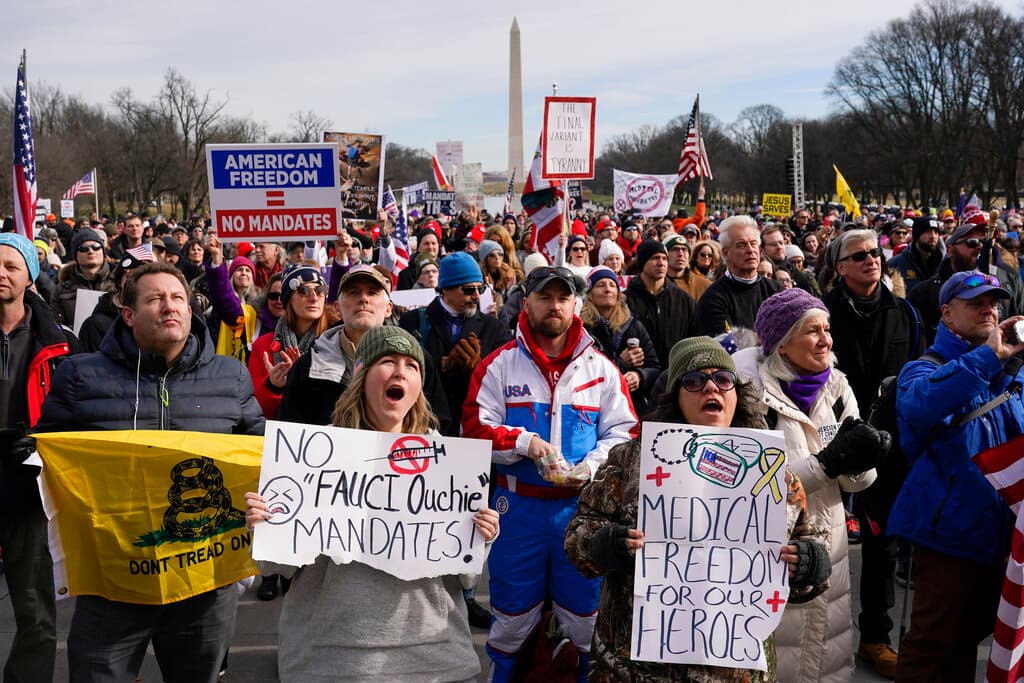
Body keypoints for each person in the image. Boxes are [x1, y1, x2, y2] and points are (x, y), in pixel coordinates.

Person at [36, 261, 264, 682]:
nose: (169, 307)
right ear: (128, 313)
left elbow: (259, 455)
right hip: (112, 582)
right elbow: (48, 458)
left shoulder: (229, 376)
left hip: (204, 584)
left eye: (177, 298)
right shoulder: (80, 376)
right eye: (155, 299)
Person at [564, 336, 832, 682]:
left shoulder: (772, 474)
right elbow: (577, 536)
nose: (711, 388)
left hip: (736, 670)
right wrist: (605, 544)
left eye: (723, 379)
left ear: (737, 393)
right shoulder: (631, 461)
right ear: (676, 394)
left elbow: (806, 547)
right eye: (694, 380)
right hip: (634, 668)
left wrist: (810, 562)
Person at [245, 325, 500, 683]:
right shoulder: (312, 455)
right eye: (388, 361)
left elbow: (466, 574)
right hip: (332, 662)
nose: (401, 371)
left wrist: (482, 535)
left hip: (435, 660)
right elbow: (274, 565)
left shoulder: (449, 462)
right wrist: (264, 523)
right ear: (361, 377)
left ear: (419, 386)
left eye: (412, 366)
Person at [462, 265, 639, 682]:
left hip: (580, 513)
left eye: (563, 298)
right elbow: (473, 429)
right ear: (527, 303)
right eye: (545, 297)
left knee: (586, 624)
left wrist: (592, 466)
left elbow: (625, 432)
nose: (554, 305)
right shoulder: (499, 366)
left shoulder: (601, 369)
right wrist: (527, 443)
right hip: (515, 511)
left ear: (576, 304)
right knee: (509, 623)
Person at [734, 288, 888, 682]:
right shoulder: (747, 394)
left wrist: (864, 458)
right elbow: (748, 486)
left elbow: (855, 484)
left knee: (824, 656)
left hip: (830, 546)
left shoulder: (836, 386)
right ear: (783, 344)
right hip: (771, 550)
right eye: (813, 331)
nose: (826, 339)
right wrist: (826, 464)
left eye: (827, 328)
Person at [890, 270, 1024, 682]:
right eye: (976, 303)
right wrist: (989, 357)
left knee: (970, 642)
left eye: (994, 303)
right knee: (933, 647)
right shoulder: (923, 367)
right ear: (947, 313)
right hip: (949, 536)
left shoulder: (1012, 368)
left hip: (1003, 535)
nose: (989, 309)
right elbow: (919, 407)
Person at [821, 229, 923, 678]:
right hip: (829, 439)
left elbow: (918, 374)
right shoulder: (821, 313)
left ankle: (875, 636)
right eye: (859, 255)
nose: (871, 260)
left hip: (887, 443)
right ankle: (816, 630)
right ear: (840, 267)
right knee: (819, 534)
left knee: (882, 542)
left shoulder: (903, 312)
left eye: (876, 253)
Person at [0, 234, 76, 683]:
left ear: (30, 276)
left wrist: (46, 440)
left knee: (35, 611)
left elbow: (81, 410)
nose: (0, 272)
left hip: (31, 484)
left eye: (11, 265)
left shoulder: (60, 342)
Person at [399, 251, 506, 437]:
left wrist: (477, 369)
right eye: (468, 289)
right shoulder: (413, 322)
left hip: (475, 427)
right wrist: (441, 365)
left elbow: (504, 379)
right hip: (428, 425)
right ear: (446, 289)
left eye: (479, 289)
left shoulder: (493, 328)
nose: (476, 296)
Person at [248, 263, 336, 421]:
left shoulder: (336, 342)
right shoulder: (263, 346)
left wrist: (301, 377)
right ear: (288, 300)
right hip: (282, 435)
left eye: (319, 290)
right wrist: (273, 386)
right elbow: (255, 409)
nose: (314, 297)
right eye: (303, 291)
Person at [581, 266, 661, 415]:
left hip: (632, 407)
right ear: (590, 293)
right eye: (600, 285)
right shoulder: (582, 329)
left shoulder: (634, 325)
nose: (607, 289)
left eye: (612, 285)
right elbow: (583, 372)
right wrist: (621, 364)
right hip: (593, 407)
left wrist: (640, 376)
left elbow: (654, 368)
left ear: (618, 293)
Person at [694, 215, 783, 336]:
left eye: (753, 244)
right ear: (726, 253)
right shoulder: (713, 298)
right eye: (741, 245)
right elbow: (727, 344)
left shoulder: (776, 290)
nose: (750, 250)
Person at [624, 239, 696, 366]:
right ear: (643, 262)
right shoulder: (625, 301)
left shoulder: (683, 300)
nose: (661, 263)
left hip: (676, 373)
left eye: (664, 258)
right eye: (655, 258)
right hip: (641, 376)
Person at [50, 229, 117, 327]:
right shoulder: (62, 289)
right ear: (75, 255)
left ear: (103, 252)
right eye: (83, 248)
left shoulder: (120, 282)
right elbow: (56, 325)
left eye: (96, 247)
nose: (90, 251)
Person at [888, 216, 944, 292]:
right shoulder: (895, 264)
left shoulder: (945, 264)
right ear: (917, 235)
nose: (933, 236)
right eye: (927, 231)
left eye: (936, 232)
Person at [662, 233, 710, 302]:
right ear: (665, 255)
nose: (681, 254)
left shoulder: (705, 286)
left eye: (684, 249)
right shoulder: (656, 285)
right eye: (675, 249)